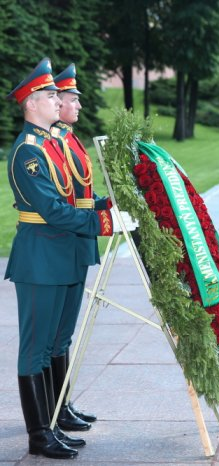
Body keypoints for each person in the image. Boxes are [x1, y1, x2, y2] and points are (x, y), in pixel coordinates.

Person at [5, 57, 113, 459]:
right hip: (41, 257)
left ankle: (52, 421)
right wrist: (105, 221)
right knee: (35, 347)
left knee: (56, 341)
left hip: (62, 254)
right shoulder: (28, 152)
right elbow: (53, 210)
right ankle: (38, 434)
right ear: (31, 102)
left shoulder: (52, 143)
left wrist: (106, 207)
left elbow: (75, 197)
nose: (60, 101)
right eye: (51, 95)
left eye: (57, 94)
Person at [50, 63, 111, 432]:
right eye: (73, 99)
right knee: (56, 334)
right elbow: (65, 201)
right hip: (67, 240)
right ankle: (56, 410)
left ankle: (63, 404)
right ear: (58, 101)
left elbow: (82, 193)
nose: (78, 105)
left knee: (64, 333)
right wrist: (100, 217)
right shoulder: (56, 141)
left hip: (78, 238)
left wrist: (106, 203)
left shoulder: (69, 138)